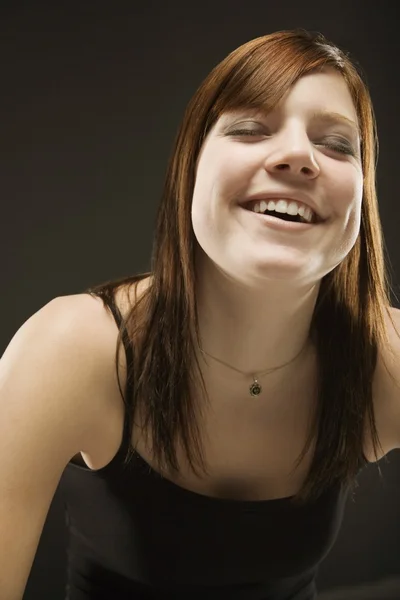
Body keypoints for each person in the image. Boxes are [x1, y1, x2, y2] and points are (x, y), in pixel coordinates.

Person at [1, 28, 399, 600]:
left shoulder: (384, 358)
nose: (299, 156)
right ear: (189, 168)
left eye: (337, 144)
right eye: (249, 128)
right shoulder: (74, 348)